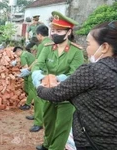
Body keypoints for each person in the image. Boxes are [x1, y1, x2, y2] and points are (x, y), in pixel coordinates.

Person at [37, 21, 117, 150]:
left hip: (95, 142)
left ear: (104, 47)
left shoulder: (93, 70)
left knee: (61, 127)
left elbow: (56, 94)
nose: (86, 48)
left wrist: (38, 85)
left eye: (88, 44)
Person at [32, 11, 84, 150]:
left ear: (68, 32)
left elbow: (75, 73)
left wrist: (56, 78)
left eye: (59, 31)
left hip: (67, 96)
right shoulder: (48, 48)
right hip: (48, 92)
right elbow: (38, 65)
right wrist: (40, 79)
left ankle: (55, 148)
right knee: (48, 122)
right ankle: (47, 144)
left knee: (62, 126)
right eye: (53, 30)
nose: (54, 34)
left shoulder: (76, 51)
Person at [25, 24, 52, 127]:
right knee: (43, 100)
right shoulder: (51, 42)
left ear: (39, 35)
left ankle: (38, 122)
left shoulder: (43, 45)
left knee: (39, 99)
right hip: (49, 74)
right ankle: (38, 115)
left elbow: (38, 60)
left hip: (42, 74)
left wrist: (29, 69)